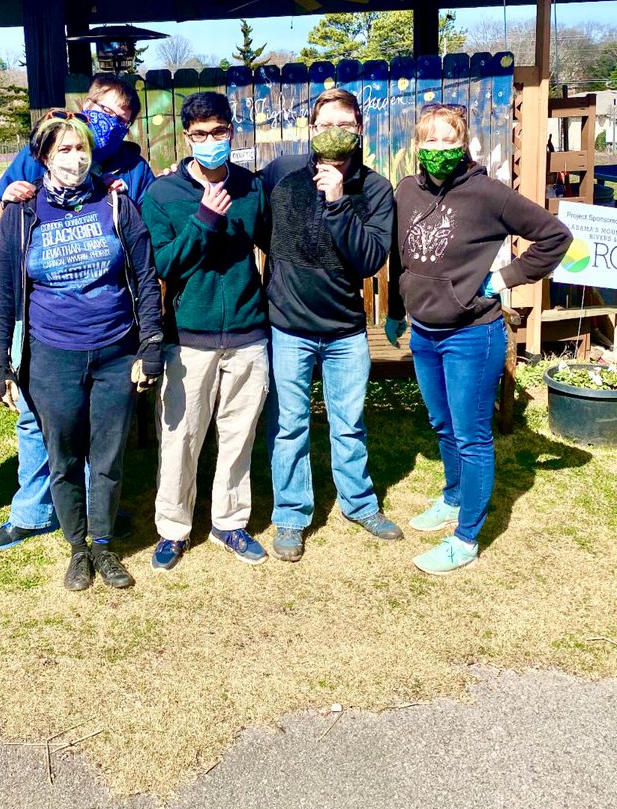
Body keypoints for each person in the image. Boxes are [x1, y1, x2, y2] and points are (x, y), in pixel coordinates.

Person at [385, 103, 571, 575]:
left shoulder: (490, 194)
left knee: (472, 437)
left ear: (463, 143)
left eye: (449, 140)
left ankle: (466, 538)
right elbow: (396, 255)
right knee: (443, 424)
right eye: (430, 140)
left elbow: (555, 236)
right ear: (416, 145)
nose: (439, 149)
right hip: (425, 334)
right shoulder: (406, 190)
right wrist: (394, 308)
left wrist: (504, 279)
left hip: (472, 334)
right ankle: (452, 497)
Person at [0, 112, 162, 591]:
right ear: (42, 157)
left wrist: (150, 344)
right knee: (63, 457)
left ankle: (104, 547)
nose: (75, 158)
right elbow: (4, 293)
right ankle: (77, 548)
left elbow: (145, 278)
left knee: (106, 456)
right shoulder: (20, 215)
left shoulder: (116, 205)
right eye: (63, 150)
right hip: (51, 355)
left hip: (114, 352)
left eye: (81, 148)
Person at [261, 88, 401, 563]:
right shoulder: (282, 175)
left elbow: (368, 260)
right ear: (310, 130)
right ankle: (290, 515)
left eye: (343, 125)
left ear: (359, 131)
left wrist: (339, 201)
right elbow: (251, 213)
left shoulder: (376, 189)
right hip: (289, 327)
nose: (332, 134)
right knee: (288, 426)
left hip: (345, 330)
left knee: (348, 424)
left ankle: (359, 505)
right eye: (323, 125)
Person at [141, 91, 271, 572]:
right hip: (188, 338)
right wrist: (204, 222)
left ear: (231, 131)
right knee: (181, 438)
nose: (210, 142)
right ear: (186, 138)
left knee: (238, 436)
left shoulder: (251, 187)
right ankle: (173, 529)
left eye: (218, 132)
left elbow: (273, 244)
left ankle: (229, 522)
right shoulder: (162, 194)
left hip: (247, 334)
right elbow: (164, 264)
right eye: (199, 135)